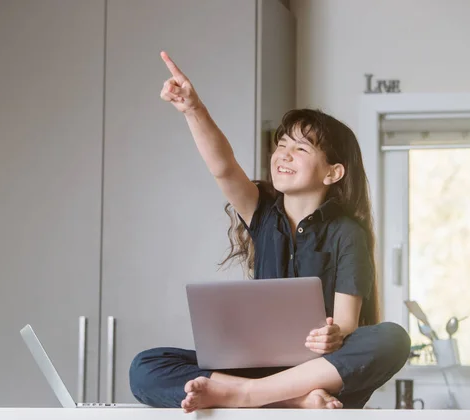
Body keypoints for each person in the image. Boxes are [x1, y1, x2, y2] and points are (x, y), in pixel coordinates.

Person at [128, 51, 411, 413]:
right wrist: (193, 109)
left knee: (392, 339)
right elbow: (224, 168)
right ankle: (290, 400)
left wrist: (332, 334)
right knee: (146, 366)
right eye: (282, 145)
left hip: (319, 373)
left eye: (300, 148)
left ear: (333, 173)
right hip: (259, 369)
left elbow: (345, 322)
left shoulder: (346, 232)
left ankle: (247, 396)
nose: (284, 154)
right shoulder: (261, 211)